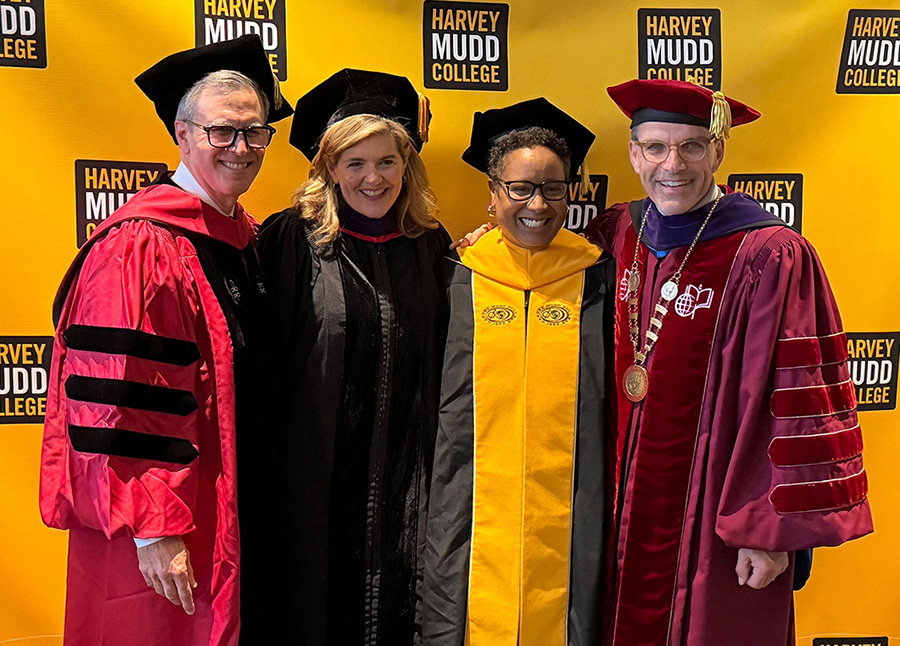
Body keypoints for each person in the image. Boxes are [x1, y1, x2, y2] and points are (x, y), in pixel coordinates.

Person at [583, 79, 873, 646]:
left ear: (718, 151)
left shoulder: (769, 253)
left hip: (714, 523)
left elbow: (798, 400)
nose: (673, 163)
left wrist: (769, 532)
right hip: (612, 516)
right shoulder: (616, 233)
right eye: (655, 147)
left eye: (692, 146)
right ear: (633, 152)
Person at [38, 35, 291, 646]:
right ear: (181, 133)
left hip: (233, 502)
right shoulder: (140, 245)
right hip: (167, 520)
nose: (242, 148)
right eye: (222, 131)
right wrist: (154, 529)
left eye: (255, 132)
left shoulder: (246, 237)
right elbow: (119, 396)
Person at [255, 69, 451, 645]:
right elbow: (265, 365)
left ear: (407, 165)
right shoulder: (293, 239)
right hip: (311, 475)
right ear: (329, 168)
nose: (373, 178)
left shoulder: (428, 244)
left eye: (387, 162)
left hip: (407, 477)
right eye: (355, 163)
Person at [423, 98, 615, 646]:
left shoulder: (597, 278)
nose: (538, 204)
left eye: (553, 189)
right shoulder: (457, 276)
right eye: (520, 188)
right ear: (492, 195)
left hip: (572, 515)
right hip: (467, 507)